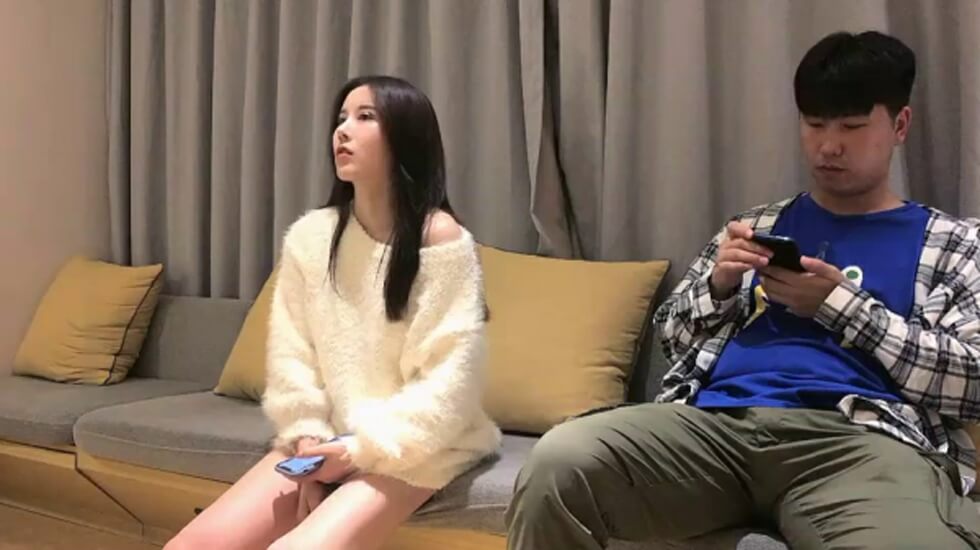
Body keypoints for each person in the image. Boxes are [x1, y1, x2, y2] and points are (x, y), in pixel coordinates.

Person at [506, 30, 980, 550]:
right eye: (814, 124)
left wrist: (841, 307)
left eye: (851, 126)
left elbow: (971, 381)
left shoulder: (952, 243)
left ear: (900, 126)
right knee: (561, 463)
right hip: (717, 429)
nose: (828, 145)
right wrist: (719, 285)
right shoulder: (758, 226)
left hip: (858, 442)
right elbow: (673, 343)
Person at [166, 75, 501, 550]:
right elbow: (292, 358)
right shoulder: (311, 237)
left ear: (406, 136)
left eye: (365, 117)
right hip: (327, 441)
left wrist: (355, 451)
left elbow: (450, 382)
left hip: (418, 445)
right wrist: (308, 440)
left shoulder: (441, 239)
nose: (342, 130)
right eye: (341, 118)